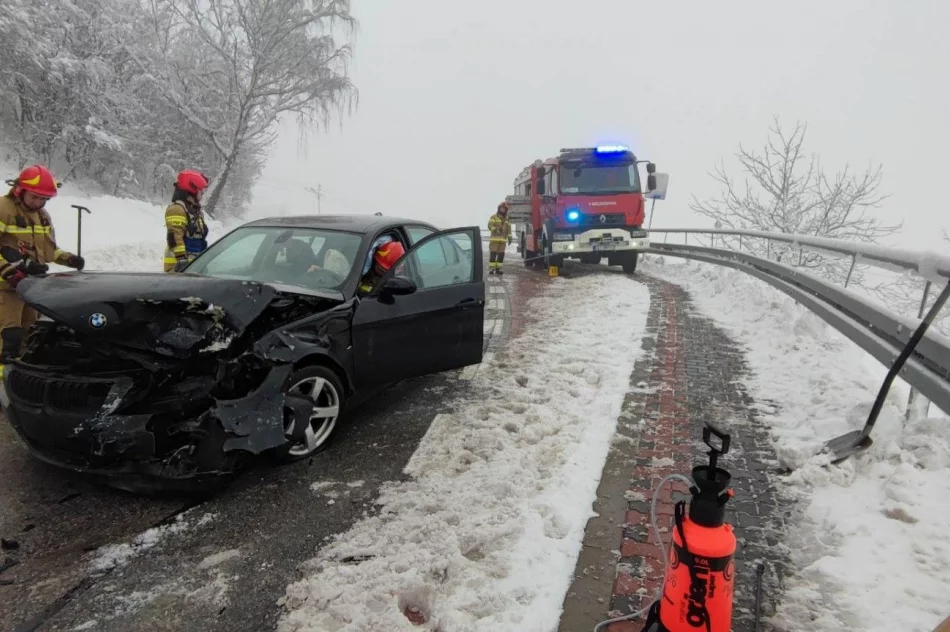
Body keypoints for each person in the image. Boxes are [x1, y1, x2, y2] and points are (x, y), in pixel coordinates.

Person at [0, 165, 84, 377]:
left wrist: (69, 259)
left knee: (31, 333)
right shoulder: (4, 209)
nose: (38, 203)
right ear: (20, 190)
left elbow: (49, 250)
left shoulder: (42, 216)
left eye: (44, 199)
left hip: (30, 287)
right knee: (9, 335)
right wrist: (9, 271)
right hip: (5, 286)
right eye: (35, 197)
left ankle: (20, 378)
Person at [164, 170, 210, 272]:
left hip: (193, 268)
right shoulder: (177, 209)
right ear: (192, 188)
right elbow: (175, 238)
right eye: (200, 190)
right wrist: (182, 261)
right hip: (178, 269)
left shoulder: (195, 212)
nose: (202, 194)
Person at [488, 201, 511, 275]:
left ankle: (498, 269)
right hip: (494, 240)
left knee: (501, 256)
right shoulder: (493, 217)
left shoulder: (507, 219)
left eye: (504, 209)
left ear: (506, 210)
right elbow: (490, 225)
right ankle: (491, 269)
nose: (502, 210)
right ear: (499, 209)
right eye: (501, 208)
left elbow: (509, 229)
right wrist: (496, 230)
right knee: (493, 255)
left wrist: (510, 237)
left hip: (503, 241)